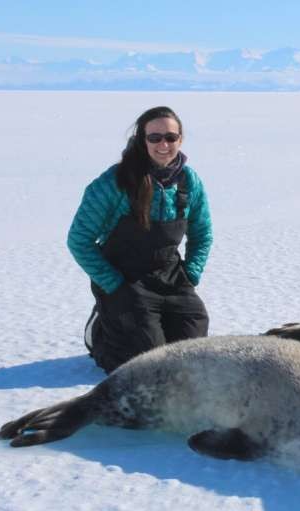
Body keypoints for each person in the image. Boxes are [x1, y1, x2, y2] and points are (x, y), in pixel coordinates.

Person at [67, 106, 212, 373]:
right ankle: (100, 331)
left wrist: (191, 274)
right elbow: (79, 240)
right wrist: (114, 285)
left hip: (170, 276)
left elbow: (202, 234)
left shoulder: (189, 181)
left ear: (180, 139)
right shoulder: (115, 182)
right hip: (125, 279)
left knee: (193, 351)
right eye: (154, 137)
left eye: (170, 137)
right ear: (141, 140)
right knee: (148, 362)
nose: (163, 144)